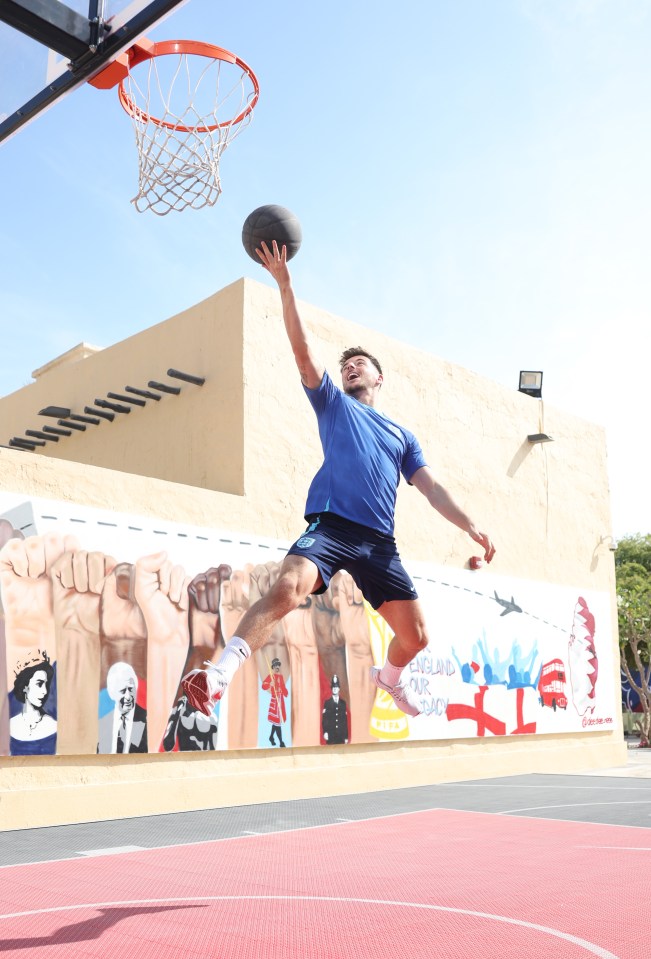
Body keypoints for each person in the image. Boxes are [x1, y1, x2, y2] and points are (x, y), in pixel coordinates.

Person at [182, 240, 495, 720]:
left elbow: (431, 488)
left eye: (360, 364)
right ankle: (219, 675)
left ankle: (389, 680)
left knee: (416, 638)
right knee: (288, 589)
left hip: (379, 546)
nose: (351, 367)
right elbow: (303, 352)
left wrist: (470, 525)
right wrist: (285, 284)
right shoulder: (333, 403)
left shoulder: (400, 435)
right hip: (331, 528)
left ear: (379, 378)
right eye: (346, 364)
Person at [10, 652, 57, 755]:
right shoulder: (9, 727)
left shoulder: (53, 726)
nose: (45, 691)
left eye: (46, 684)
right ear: (25, 687)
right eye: (39, 684)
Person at [262, 657, 288, 747]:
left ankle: (271, 737)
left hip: (281, 701)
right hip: (274, 701)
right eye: (275, 665)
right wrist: (270, 684)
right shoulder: (271, 677)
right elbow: (263, 685)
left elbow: (285, 690)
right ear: (273, 667)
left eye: (278, 665)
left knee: (276, 722)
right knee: (277, 723)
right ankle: (281, 742)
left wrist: (284, 691)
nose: (277, 667)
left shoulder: (281, 677)